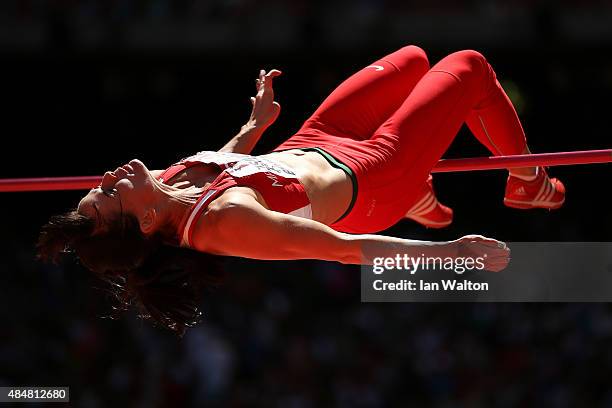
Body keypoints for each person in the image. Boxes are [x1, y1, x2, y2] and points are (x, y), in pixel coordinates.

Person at [38, 45, 561, 334]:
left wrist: (254, 126)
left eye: (97, 187)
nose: (108, 178)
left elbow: (223, 164)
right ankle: (526, 183)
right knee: (468, 67)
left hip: (314, 141)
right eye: (109, 195)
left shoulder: (164, 187)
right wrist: (451, 255)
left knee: (414, 61)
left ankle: (421, 197)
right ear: (146, 223)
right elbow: (344, 251)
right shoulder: (225, 224)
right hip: (374, 177)